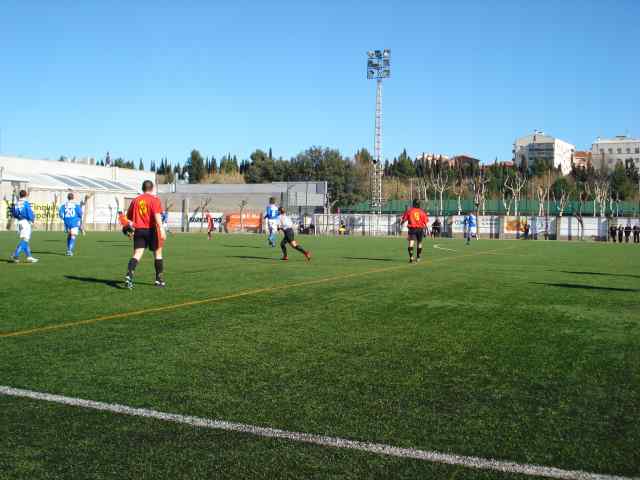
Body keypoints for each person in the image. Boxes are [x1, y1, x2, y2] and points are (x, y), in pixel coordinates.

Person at [124, 180, 167, 289]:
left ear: (142, 188)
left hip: (139, 230)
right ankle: (159, 280)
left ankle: (129, 274)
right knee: (158, 254)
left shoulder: (135, 200)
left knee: (137, 254)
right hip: (152, 230)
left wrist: (129, 229)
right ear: (152, 188)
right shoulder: (155, 200)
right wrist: (162, 229)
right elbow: (157, 215)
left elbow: (129, 217)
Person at [10, 190, 39, 263]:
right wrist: (33, 221)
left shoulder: (16, 203)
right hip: (25, 222)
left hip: (19, 222)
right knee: (25, 239)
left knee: (25, 240)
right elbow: (29, 213)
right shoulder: (25, 203)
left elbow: (13, 213)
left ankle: (29, 256)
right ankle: (15, 254)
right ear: (25, 195)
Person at [400, 199, 428, 263]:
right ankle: (418, 257)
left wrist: (402, 223)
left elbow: (404, 219)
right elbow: (425, 221)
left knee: (411, 243)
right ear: (419, 204)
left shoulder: (409, 211)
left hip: (412, 229)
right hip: (420, 229)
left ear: (413, 204)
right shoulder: (422, 211)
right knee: (419, 243)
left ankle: (411, 258)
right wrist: (426, 229)